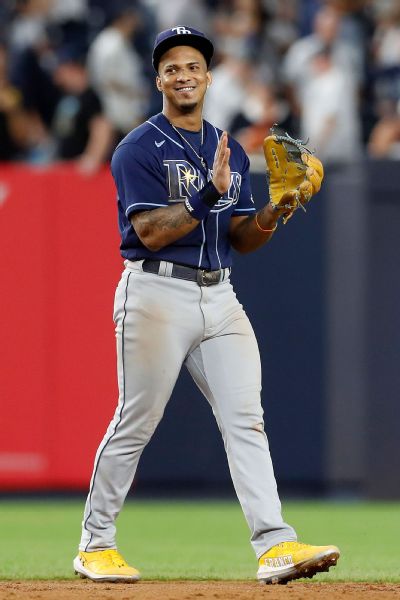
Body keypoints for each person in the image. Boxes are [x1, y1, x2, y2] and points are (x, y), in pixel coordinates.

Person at [73, 26, 340, 585]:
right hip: (155, 291)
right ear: (159, 81)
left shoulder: (229, 147)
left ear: (208, 75)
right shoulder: (137, 148)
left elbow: (242, 237)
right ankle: (95, 544)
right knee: (136, 421)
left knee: (247, 420)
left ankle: (275, 546)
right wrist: (208, 195)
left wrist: (275, 209)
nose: (184, 75)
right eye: (172, 68)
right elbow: (148, 231)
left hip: (220, 294)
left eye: (192, 65)